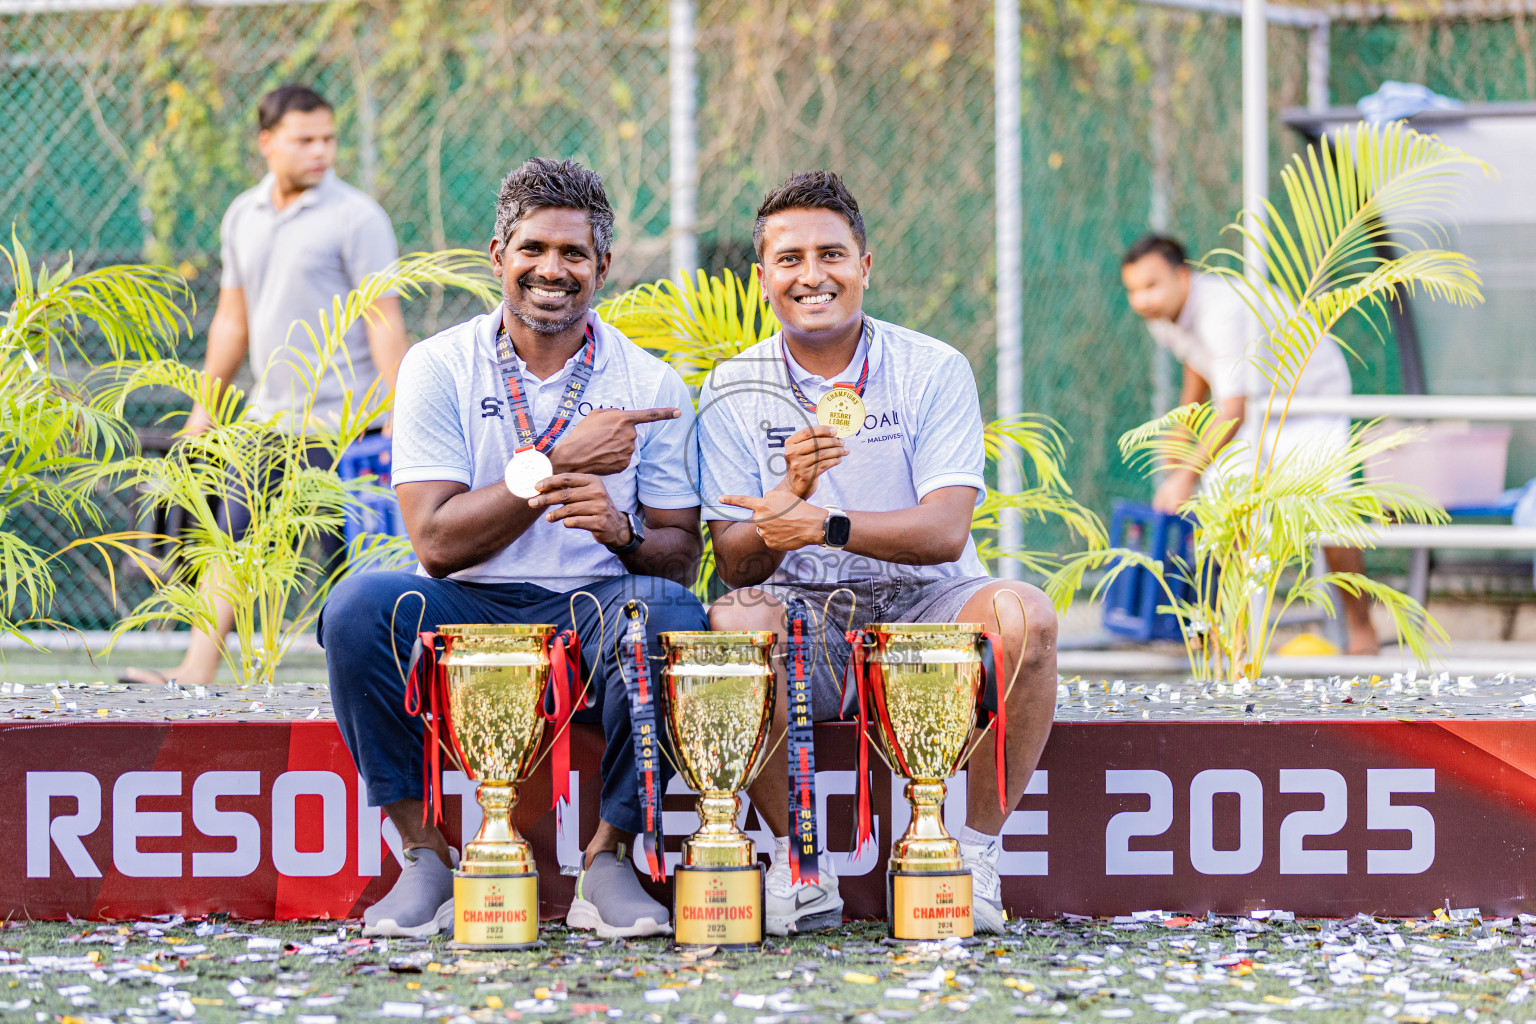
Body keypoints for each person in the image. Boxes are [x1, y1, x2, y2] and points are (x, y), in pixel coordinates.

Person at [320, 157, 708, 940]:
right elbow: (434, 544)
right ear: (499, 256)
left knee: (668, 610)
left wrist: (621, 531)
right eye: (533, 249)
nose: (550, 270)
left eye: (573, 254)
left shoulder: (651, 381)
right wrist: (561, 460)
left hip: (593, 608)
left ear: (602, 266)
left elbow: (680, 557)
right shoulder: (437, 365)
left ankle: (609, 861)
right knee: (358, 608)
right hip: (471, 601)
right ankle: (425, 857)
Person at [697, 171, 1058, 935]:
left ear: (866, 265)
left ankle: (969, 852)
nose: (812, 275)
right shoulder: (734, 386)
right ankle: (800, 865)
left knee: (1028, 617)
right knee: (734, 622)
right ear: (763, 278)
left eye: (831, 253)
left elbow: (945, 531)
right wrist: (786, 497)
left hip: (926, 600)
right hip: (808, 616)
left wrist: (823, 522)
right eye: (789, 259)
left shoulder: (931, 367)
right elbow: (735, 562)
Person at [120, 83, 409, 688]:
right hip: (270, 420)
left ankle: (356, 690)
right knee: (231, 538)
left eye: (328, 139)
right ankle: (197, 670)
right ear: (267, 143)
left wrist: (400, 412)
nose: (320, 151)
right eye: (305, 140)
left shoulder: (358, 217)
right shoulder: (242, 216)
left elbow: (384, 318)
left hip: (347, 424)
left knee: (347, 563)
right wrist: (205, 411)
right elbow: (232, 320)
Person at [1119, 234, 1379, 656]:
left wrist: (1187, 474)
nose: (1142, 299)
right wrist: (1184, 426)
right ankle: (1229, 640)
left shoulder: (1221, 309)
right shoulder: (1163, 317)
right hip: (1251, 409)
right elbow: (1199, 361)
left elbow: (1233, 410)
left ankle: (1362, 628)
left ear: (1182, 277)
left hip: (1309, 401)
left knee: (1329, 516)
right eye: (1132, 290)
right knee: (1225, 513)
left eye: (1151, 286)